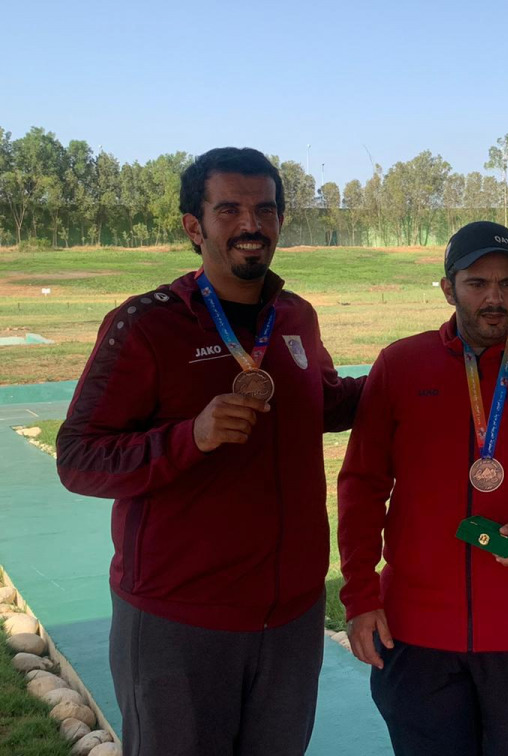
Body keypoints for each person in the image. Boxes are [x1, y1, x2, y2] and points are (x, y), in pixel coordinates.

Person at [56, 147, 364, 756]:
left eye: (265, 210)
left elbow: (323, 403)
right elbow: (79, 457)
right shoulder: (145, 325)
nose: (251, 225)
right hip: (179, 621)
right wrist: (187, 438)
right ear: (193, 227)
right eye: (229, 209)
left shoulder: (296, 316)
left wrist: (414, 370)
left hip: (292, 615)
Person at [338, 221, 508, 756]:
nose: (495, 298)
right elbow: (362, 485)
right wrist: (359, 595)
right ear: (448, 288)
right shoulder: (400, 365)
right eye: (477, 283)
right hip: (417, 635)